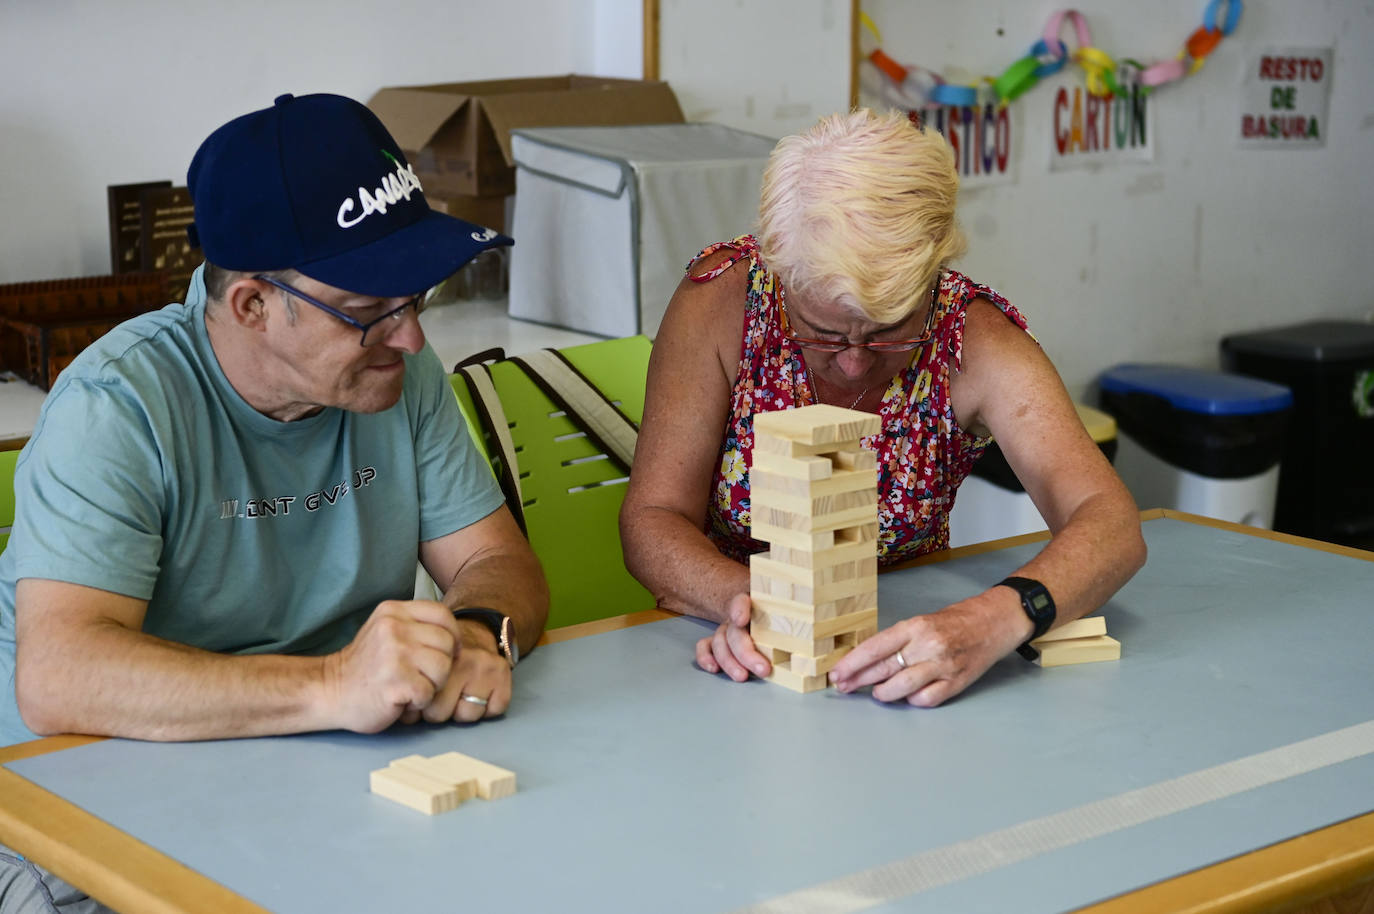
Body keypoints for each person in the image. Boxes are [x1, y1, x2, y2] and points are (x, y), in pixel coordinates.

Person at [0, 93, 548, 752]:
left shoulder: (393, 370)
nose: (411, 339)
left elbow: (493, 557)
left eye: (417, 298)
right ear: (254, 305)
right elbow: (59, 678)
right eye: (369, 307)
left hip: (322, 751)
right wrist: (333, 684)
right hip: (89, 780)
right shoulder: (116, 407)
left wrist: (476, 633)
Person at [620, 109, 1146, 708]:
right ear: (777, 270)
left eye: (890, 333)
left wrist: (994, 619)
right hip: (731, 654)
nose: (853, 363)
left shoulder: (974, 340)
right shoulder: (721, 304)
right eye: (821, 333)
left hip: (899, 658)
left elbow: (1110, 523)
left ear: (935, 278)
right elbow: (653, 518)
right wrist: (751, 605)